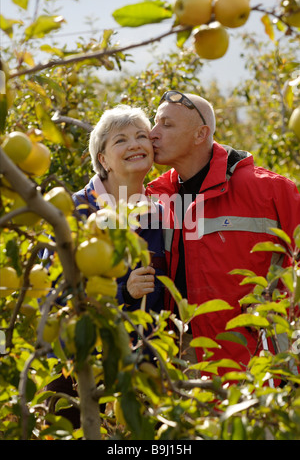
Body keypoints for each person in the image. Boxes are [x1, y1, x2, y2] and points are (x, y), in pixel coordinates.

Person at [146, 90, 300, 377]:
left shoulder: (271, 191)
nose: (153, 133)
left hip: (257, 369)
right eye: (155, 123)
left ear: (200, 134)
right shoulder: (156, 198)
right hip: (180, 366)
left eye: (166, 125)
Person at [73, 104, 166, 315]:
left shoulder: (160, 216)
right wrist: (123, 294)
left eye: (142, 136)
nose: (134, 145)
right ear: (103, 159)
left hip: (150, 346)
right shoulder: (76, 210)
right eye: (121, 140)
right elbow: (54, 292)